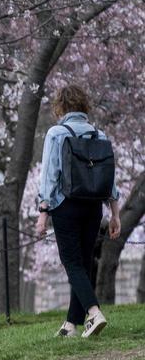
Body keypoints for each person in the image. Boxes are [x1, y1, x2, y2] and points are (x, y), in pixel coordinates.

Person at [36, 85, 121, 338]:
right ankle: (71, 325)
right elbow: (110, 178)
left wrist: (43, 212)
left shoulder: (57, 133)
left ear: (60, 106)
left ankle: (94, 313)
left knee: (72, 263)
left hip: (66, 205)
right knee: (82, 264)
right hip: (93, 206)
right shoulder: (99, 134)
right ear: (84, 106)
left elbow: (49, 175)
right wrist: (115, 213)